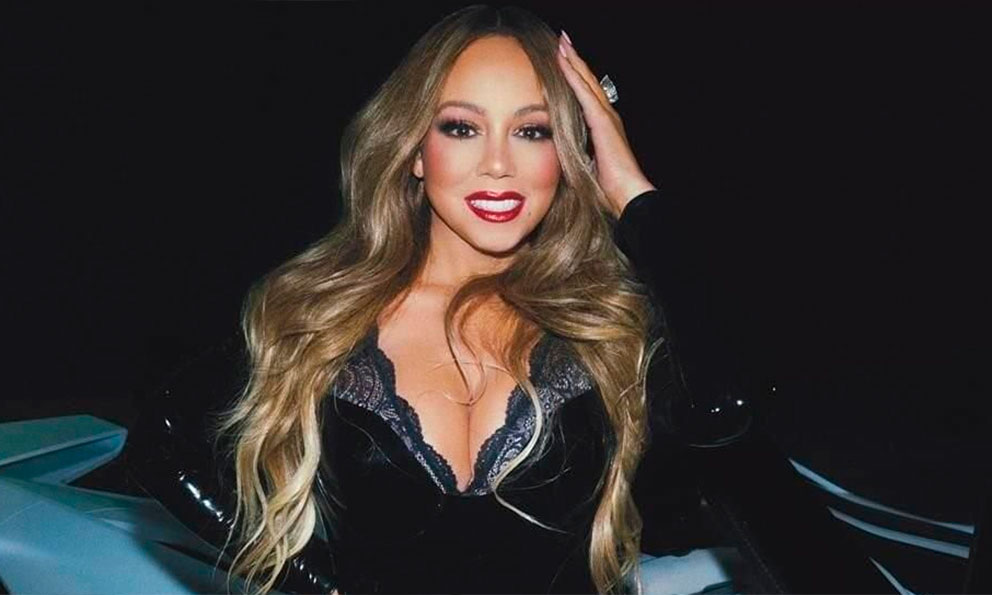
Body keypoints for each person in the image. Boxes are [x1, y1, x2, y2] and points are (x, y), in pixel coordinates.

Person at [124, 5, 897, 594]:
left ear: (571, 152)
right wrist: (314, 583)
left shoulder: (607, 331)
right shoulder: (321, 319)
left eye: (533, 132)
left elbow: (739, 415)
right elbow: (164, 436)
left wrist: (635, 196)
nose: (498, 164)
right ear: (413, 151)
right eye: (462, 127)